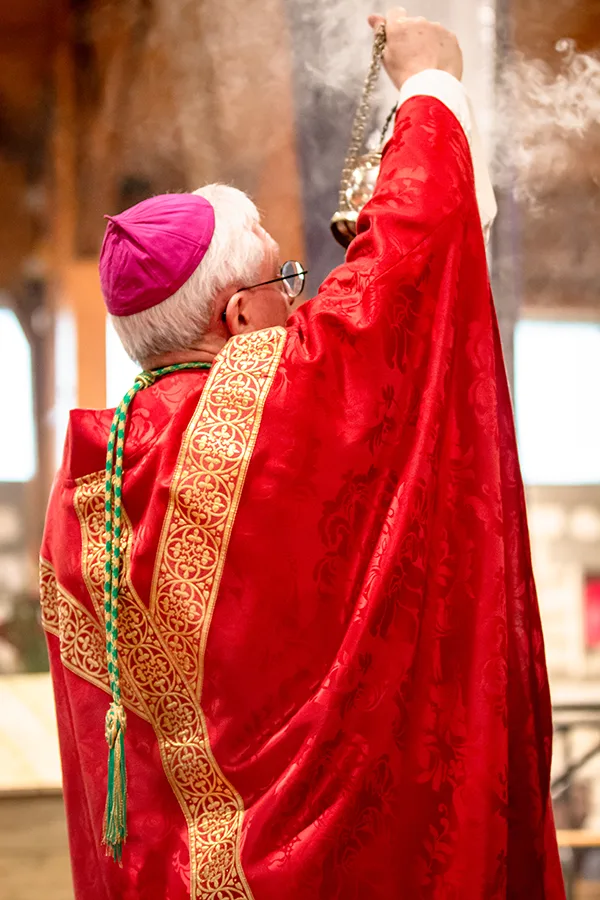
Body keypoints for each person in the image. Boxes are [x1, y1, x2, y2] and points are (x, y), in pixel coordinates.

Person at [40, 9, 565, 899]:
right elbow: (409, 263)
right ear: (238, 316)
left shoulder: (90, 472)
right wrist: (430, 85)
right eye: (287, 281)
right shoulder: (268, 405)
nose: (303, 299)